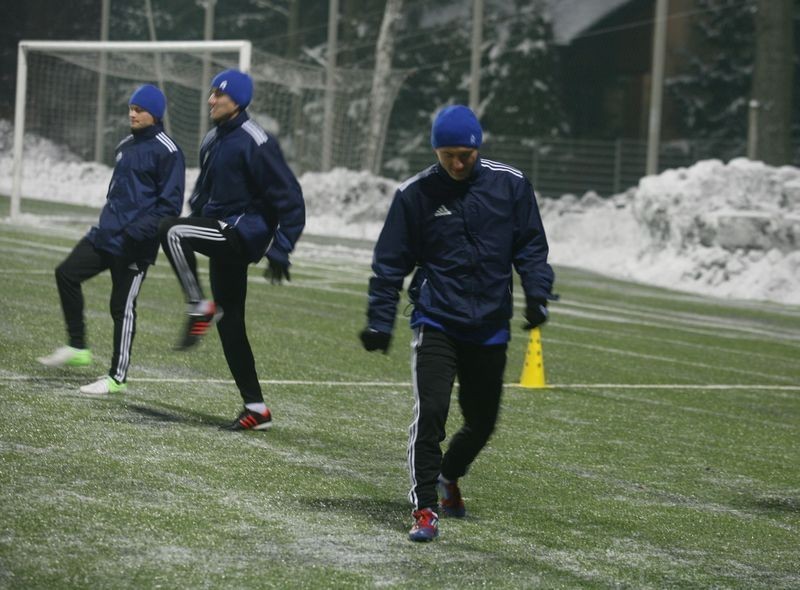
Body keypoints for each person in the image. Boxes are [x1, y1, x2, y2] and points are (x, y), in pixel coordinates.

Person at [360, 105, 555, 542]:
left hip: (490, 323)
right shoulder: (415, 195)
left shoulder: (512, 185)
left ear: (477, 148)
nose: (456, 163)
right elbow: (390, 263)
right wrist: (380, 320)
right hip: (437, 320)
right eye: (447, 155)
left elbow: (530, 247)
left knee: (483, 422)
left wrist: (538, 293)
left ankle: (449, 476)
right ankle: (424, 508)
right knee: (431, 411)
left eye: (464, 154)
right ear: (436, 151)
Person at [158, 69, 305, 431]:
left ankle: (198, 305)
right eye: (211, 94)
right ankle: (257, 408)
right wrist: (198, 219)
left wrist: (282, 247)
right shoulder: (212, 139)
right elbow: (203, 193)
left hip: (241, 234)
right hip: (221, 232)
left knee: (170, 231)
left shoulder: (256, 140)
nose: (210, 100)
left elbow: (292, 198)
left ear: (236, 101)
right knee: (230, 323)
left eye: (218, 95)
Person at [38, 85, 185, 394]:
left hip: (135, 245)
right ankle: (78, 347)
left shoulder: (168, 151)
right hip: (106, 235)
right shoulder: (125, 145)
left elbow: (169, 207)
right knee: (66, 273)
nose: (132, 113)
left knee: (122, 307)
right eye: (131, 108)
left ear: (154, 114)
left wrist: (136, 232)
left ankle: (117, 378)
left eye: (139, 109)